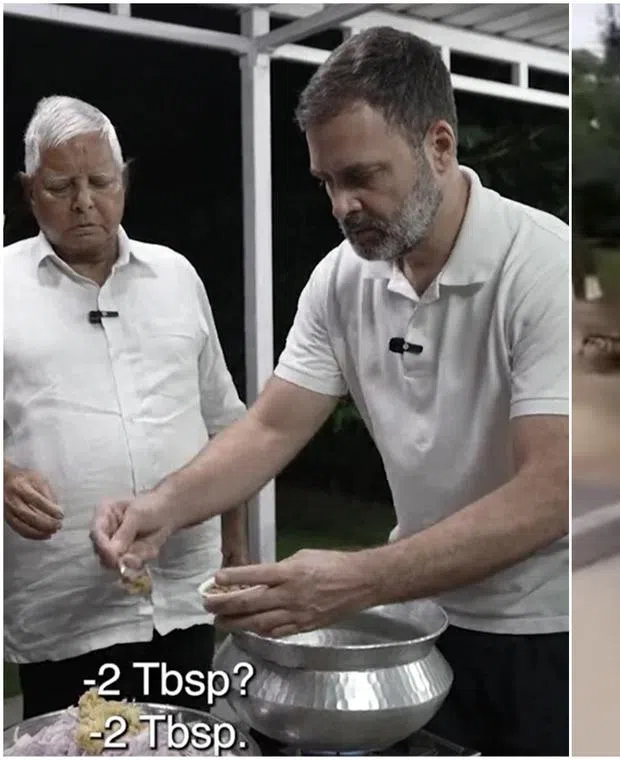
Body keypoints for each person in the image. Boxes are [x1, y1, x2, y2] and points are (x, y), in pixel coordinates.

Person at [89, 28, 569, 756]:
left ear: (440, 145)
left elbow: (553, 490)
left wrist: (361, 578)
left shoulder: (540, 266)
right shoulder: (344, 278)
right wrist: (163, 506)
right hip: (418, 628)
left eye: (362, 176)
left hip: (550, 631)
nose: (343, 205)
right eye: (327, 183)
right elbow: (271, 428)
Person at [4, 95, 248, 719]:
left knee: (187, 744)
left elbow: (227, 423)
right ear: (30, 191)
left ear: (124, 182)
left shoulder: (176, 278)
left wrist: (237, 549)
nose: (84, 201)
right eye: (61, 185)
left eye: (99, 181)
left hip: (185, 600)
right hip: (64, 616)